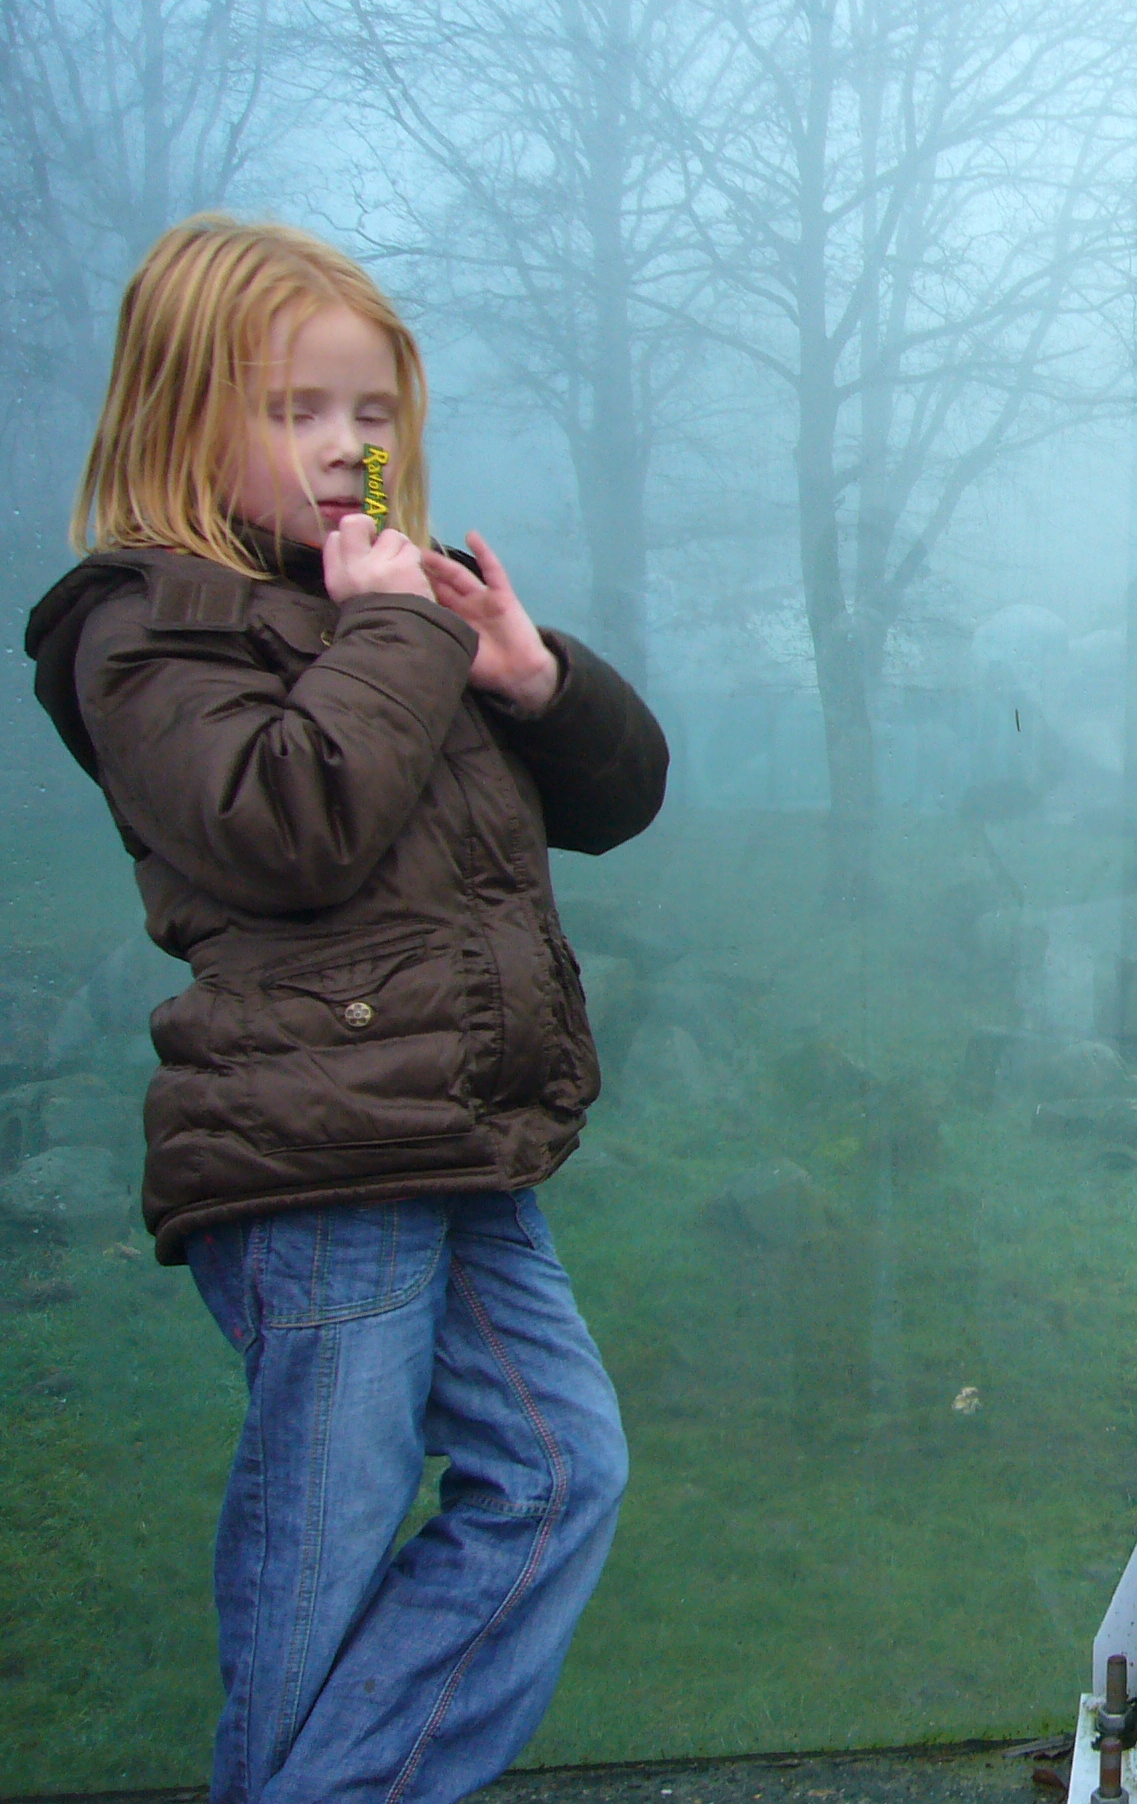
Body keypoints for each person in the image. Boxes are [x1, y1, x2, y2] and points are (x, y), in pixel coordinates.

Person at [22, 215, 667, 1804]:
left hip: (460, 1137)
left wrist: (530, 677)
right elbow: (286, 827)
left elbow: (616, 802)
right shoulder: (141, 626)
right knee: (321, 1561)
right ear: (178, 418)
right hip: (311, 1160)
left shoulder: (388, 608)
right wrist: (395, 633)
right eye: (294, 409)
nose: (343, 446)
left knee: (557, 1473)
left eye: (371, 414)